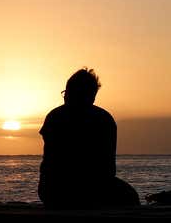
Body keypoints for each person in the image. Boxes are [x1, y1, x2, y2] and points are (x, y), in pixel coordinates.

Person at [37, 68, 138, 207]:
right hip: (83, 190)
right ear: (92, 96)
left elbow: (50, 162)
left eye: (68, 93)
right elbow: (108, 169)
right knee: (130, 196)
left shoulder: (55, 116)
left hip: (53, 191)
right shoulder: (104, 119)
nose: (65, 97)